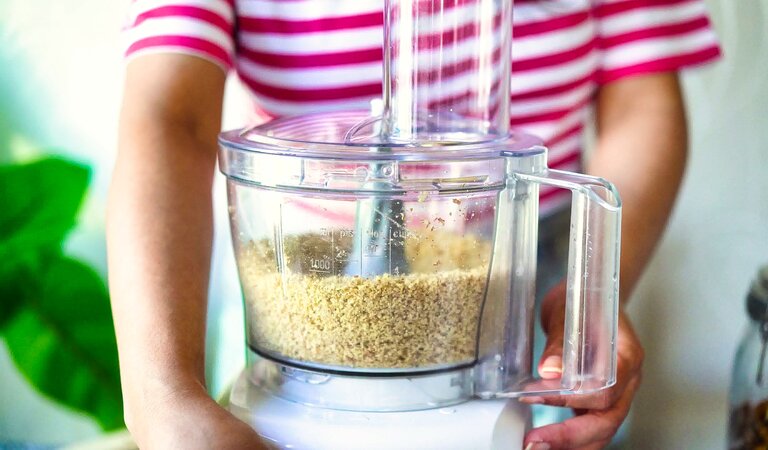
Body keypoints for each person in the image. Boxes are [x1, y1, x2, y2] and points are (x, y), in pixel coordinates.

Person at [108, 0, 720, 448]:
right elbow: (172, 119)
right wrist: (163, 398)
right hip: (303, 276)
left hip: (536, 275)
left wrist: (593, 292)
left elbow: (641, 98)